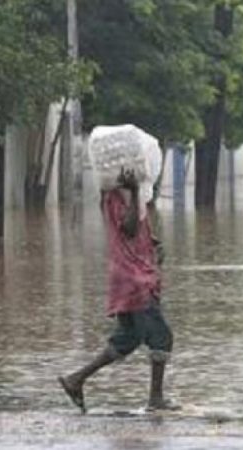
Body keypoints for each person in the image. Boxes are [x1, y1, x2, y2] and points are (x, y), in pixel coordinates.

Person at [58, 168, 176, 413]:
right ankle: (156, 399)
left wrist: (152, 243)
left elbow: (137, 233)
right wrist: (133, 191)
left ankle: (76, 379)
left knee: (128, 338)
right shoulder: (115, 197)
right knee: (161, 336)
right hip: (135, 281)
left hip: (132, 277)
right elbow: (129, 228)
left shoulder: (129, 198)